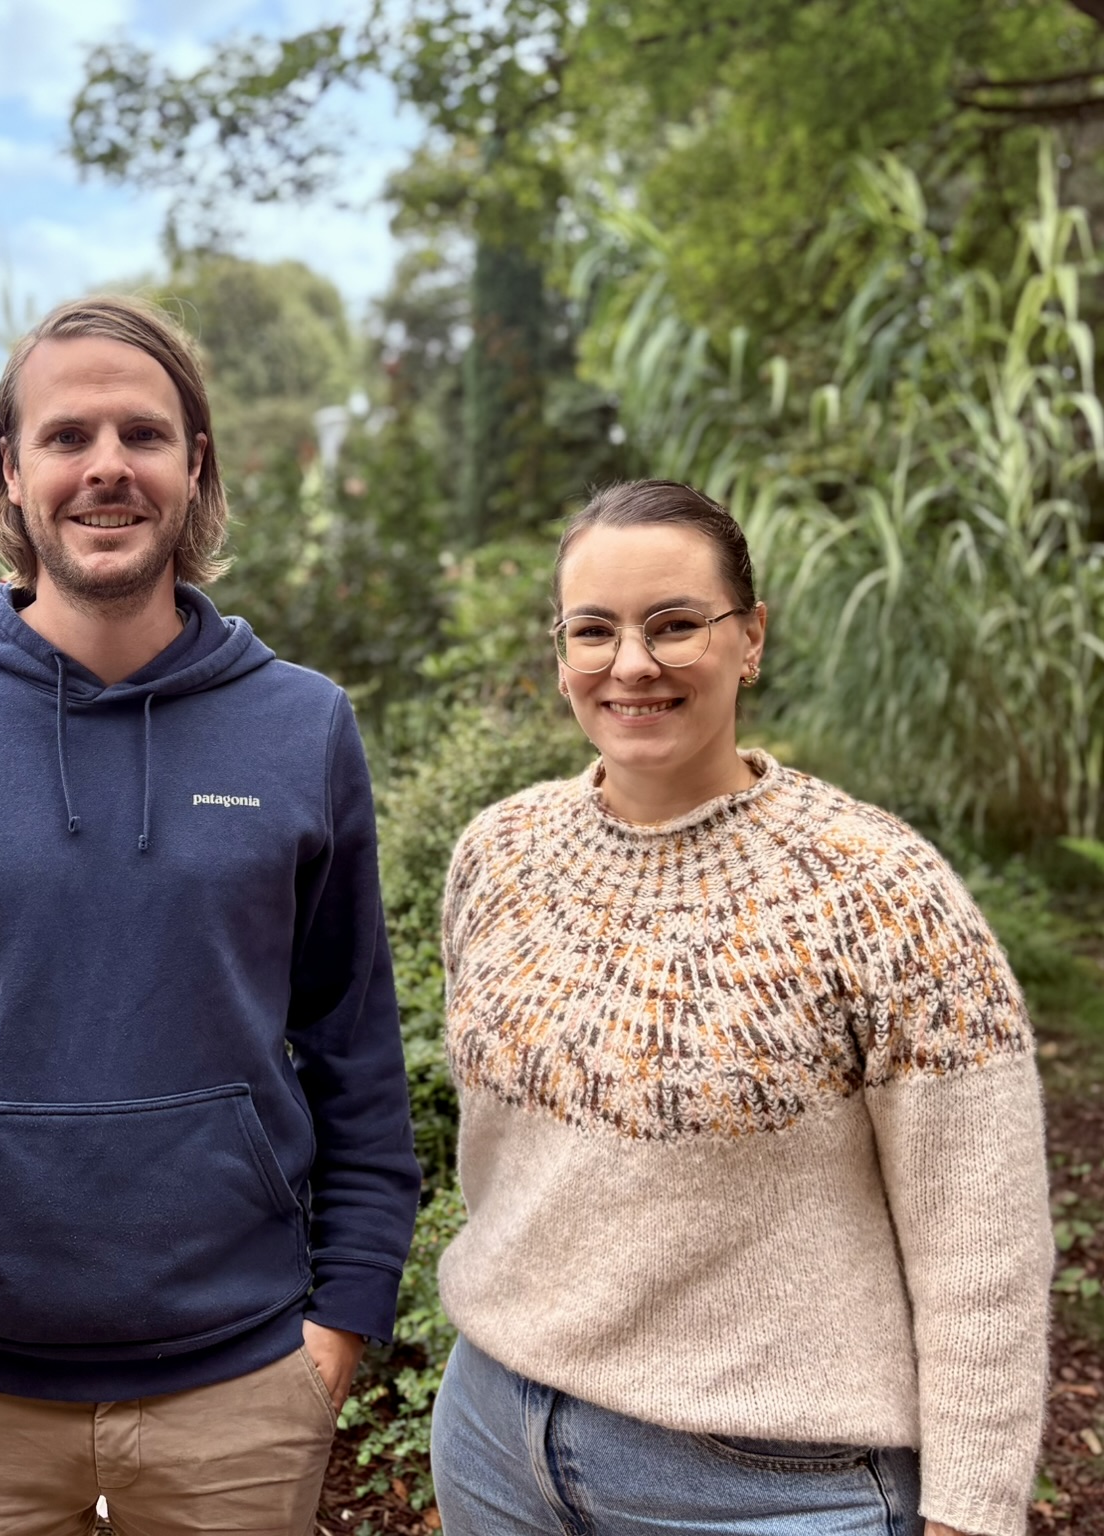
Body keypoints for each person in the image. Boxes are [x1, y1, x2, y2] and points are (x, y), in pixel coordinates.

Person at [0, 295, 422, 1533]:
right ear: (10, 474)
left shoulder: (299, 727)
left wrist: (342, 1320)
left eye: (143, 434)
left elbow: (354, 1047)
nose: (105, 466)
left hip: (240, 1377)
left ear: (193, 468)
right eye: (67, 437)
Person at [430, 480, 1053, 1536]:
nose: (630, 663)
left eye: (674, 624)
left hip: (766, 1488)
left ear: (748, 638)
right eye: (594, 630)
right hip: (495, 1438)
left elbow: (979, 1238)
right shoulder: (496, 855)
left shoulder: (874, 886)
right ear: (560, 653)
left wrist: (971, 1510)